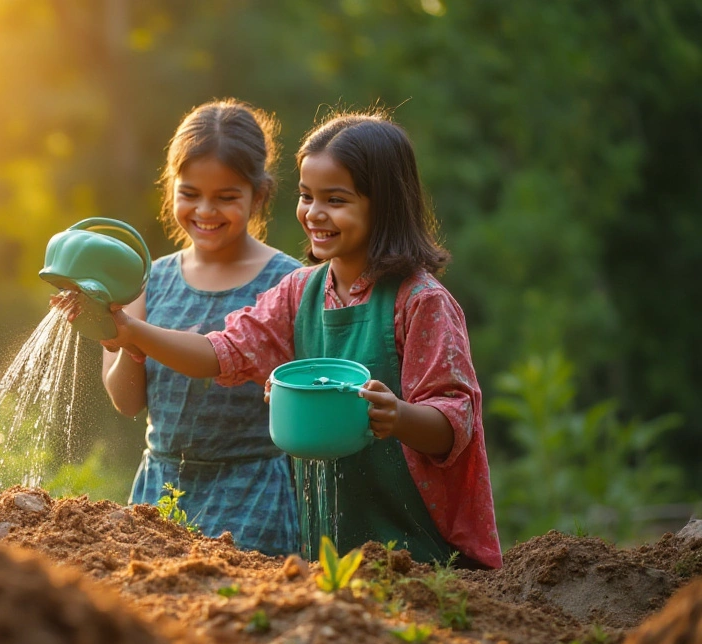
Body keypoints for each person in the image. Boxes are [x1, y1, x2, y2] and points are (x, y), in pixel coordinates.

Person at [85, 111, 502, 569]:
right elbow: (221, 352)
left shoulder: (420, 302)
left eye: (336, 200)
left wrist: (397, 415)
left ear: (384, 205)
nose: (314, 213)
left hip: (417, 544)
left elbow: (455, 422)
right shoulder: (300, 291)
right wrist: (131, 332)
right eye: (306, 196)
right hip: (330, 536)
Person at [92, 99, 304, 556]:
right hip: (159, 491)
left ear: (259, 194)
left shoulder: (289, 283)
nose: (206, 210)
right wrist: (119, 336)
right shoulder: (144, 279)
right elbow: (127, 402)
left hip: (253, 495)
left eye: (227, 197)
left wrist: (133, 331)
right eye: (190, 193)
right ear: (170, 188)